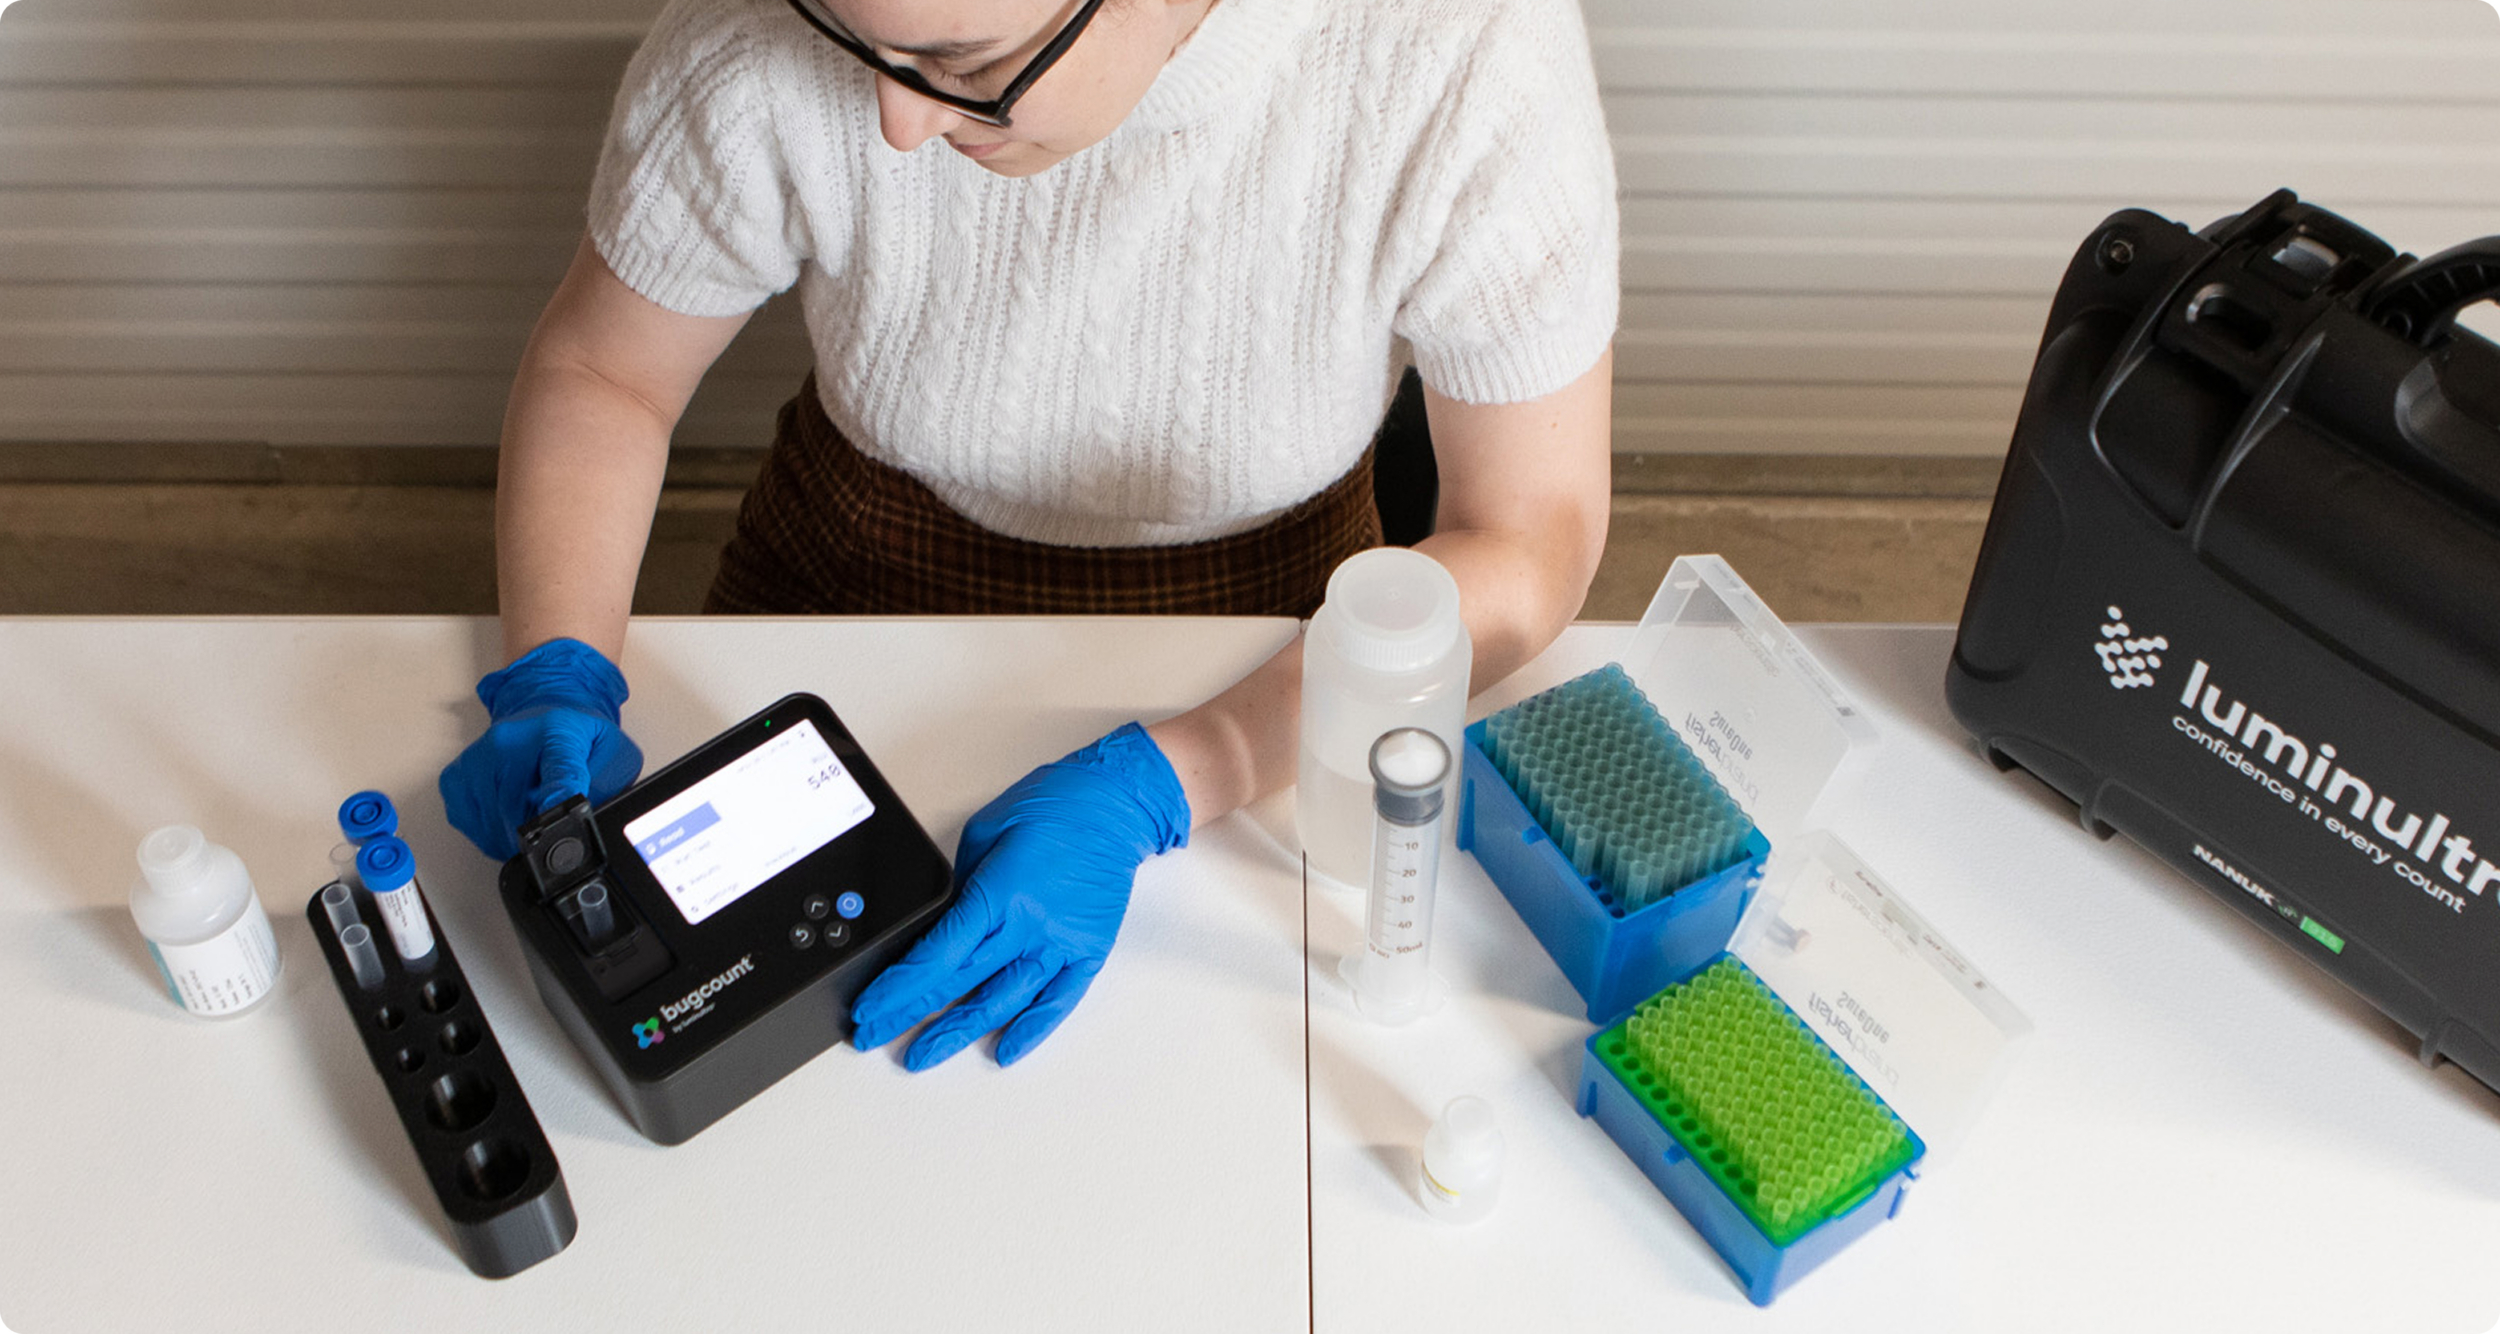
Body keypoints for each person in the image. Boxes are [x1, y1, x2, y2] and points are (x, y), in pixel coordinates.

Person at [440, 0, 1619, 1070]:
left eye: (966, 63)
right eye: (866, 51)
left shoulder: (1460, 47)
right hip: (853, 561)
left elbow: (1528, 535)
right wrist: (557, 664)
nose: (897, 123)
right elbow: (605, 373)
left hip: (1278, 636)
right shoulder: (772, 31)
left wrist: (1183, 769)